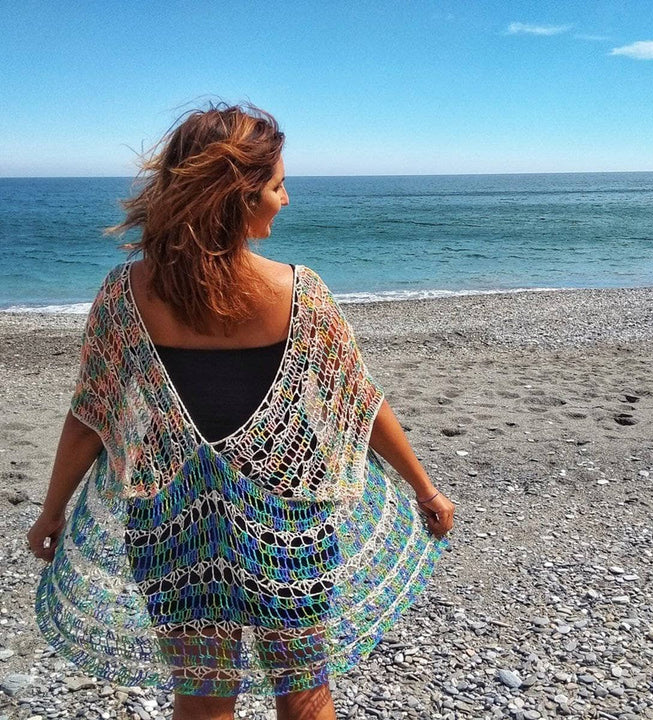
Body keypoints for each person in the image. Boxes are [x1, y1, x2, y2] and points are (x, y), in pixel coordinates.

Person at [27, 103, 455, 720]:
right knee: (302, 681)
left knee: (202, 689)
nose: (287, 199)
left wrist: (51, 511)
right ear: (237, 198)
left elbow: (90, 417)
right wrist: (425, 489)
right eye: (277, 186)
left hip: (168, 510)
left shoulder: (127, 294)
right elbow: (358, 402)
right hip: (289, 505)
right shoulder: (297, 291)